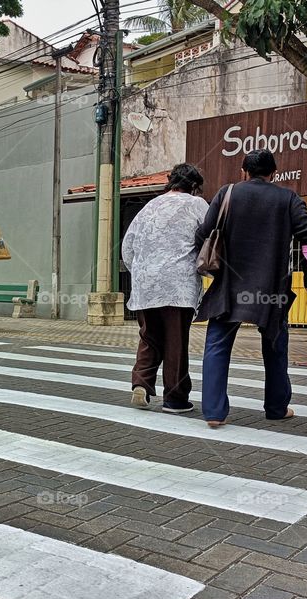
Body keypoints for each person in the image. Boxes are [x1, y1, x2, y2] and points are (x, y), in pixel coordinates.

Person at [197, 149, 307, 427]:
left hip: (230, 287)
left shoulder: (227, 193)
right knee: (275, 346)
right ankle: (276, 407)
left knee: (217, 344)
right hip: (271, 288)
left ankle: (214, 412)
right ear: (273, 174)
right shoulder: (288, 198)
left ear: (243, 172)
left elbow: (204, 232)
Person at [122, 163, 210, 413]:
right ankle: (175, 398)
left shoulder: (149, 206)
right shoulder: (197, 204)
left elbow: (127, 247)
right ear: (194, 186)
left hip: (146, 284)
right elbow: (211, 236)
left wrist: (142, 273)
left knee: (149, 337)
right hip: (177, 286)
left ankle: (141, 383)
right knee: (175, 342)